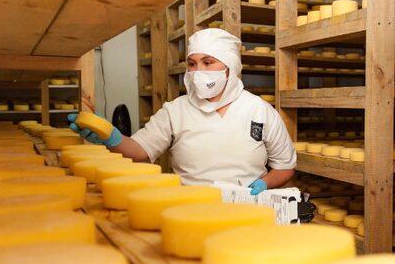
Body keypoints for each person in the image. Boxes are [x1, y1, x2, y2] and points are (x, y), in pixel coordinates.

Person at [69, 28, 296, 194]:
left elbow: (284, 167)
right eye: (192, 64)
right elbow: (139, 151)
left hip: (244, 209)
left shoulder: (260, 111)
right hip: (189, 209)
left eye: (208, 63)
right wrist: (110, 137)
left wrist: (265, 183)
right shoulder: (175, 110)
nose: (198, 72)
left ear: (230, 67)